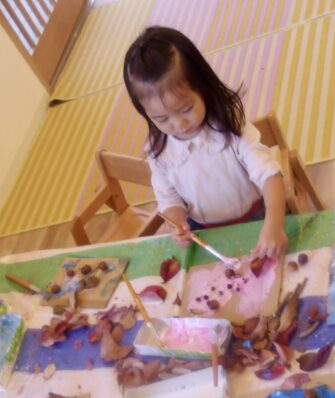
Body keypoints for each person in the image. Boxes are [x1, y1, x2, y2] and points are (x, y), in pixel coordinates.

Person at [123, 26, 287, 259]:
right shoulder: (158, 153)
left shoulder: (230, 127)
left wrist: (274, 224)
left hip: (256, 218)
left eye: (186, 109)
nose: (179, 124)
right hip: (204, 233)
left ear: (202, 86)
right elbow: (169, 199)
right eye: (161, 119)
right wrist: (176, 225)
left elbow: (269, 175)